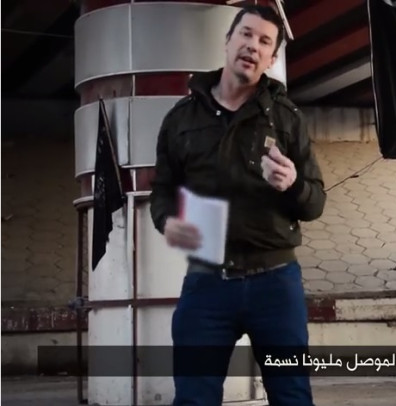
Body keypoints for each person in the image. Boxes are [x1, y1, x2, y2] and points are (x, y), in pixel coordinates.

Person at [148, 5, 326, 405]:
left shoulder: (286, 119)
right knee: (194, 398)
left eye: (264, 41)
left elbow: (315, 203)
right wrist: (167, 221)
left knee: (292, 397)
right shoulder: (180, 119)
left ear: (272, 58)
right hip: (206, 284)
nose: (252, 45)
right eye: (245, 34)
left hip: (276, 284)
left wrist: (293, 184)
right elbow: (162, 191)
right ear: (228, 41)